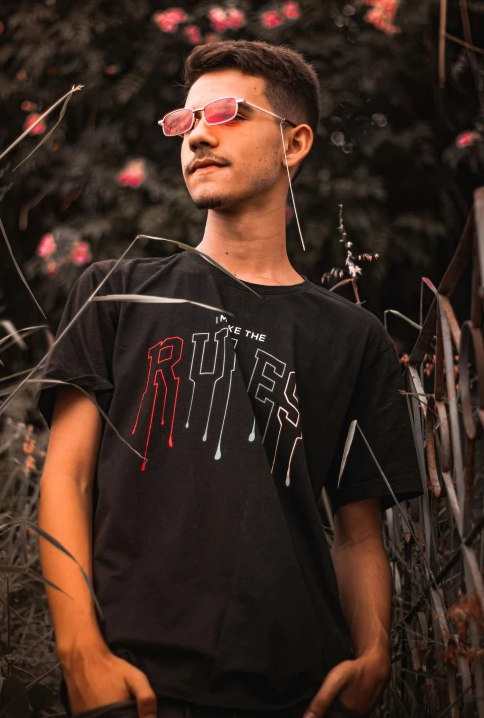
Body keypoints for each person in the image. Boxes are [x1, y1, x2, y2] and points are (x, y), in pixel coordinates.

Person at [36, 40, 423, 718]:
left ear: (295, 142)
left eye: (225, 112)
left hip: (302, 694)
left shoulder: (354, 337)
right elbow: (66, 476)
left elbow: (358, 528)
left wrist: (374, 655)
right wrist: (80, 653)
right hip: (138, 685)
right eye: (183, 122)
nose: (198, 134)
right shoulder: (117, 291)